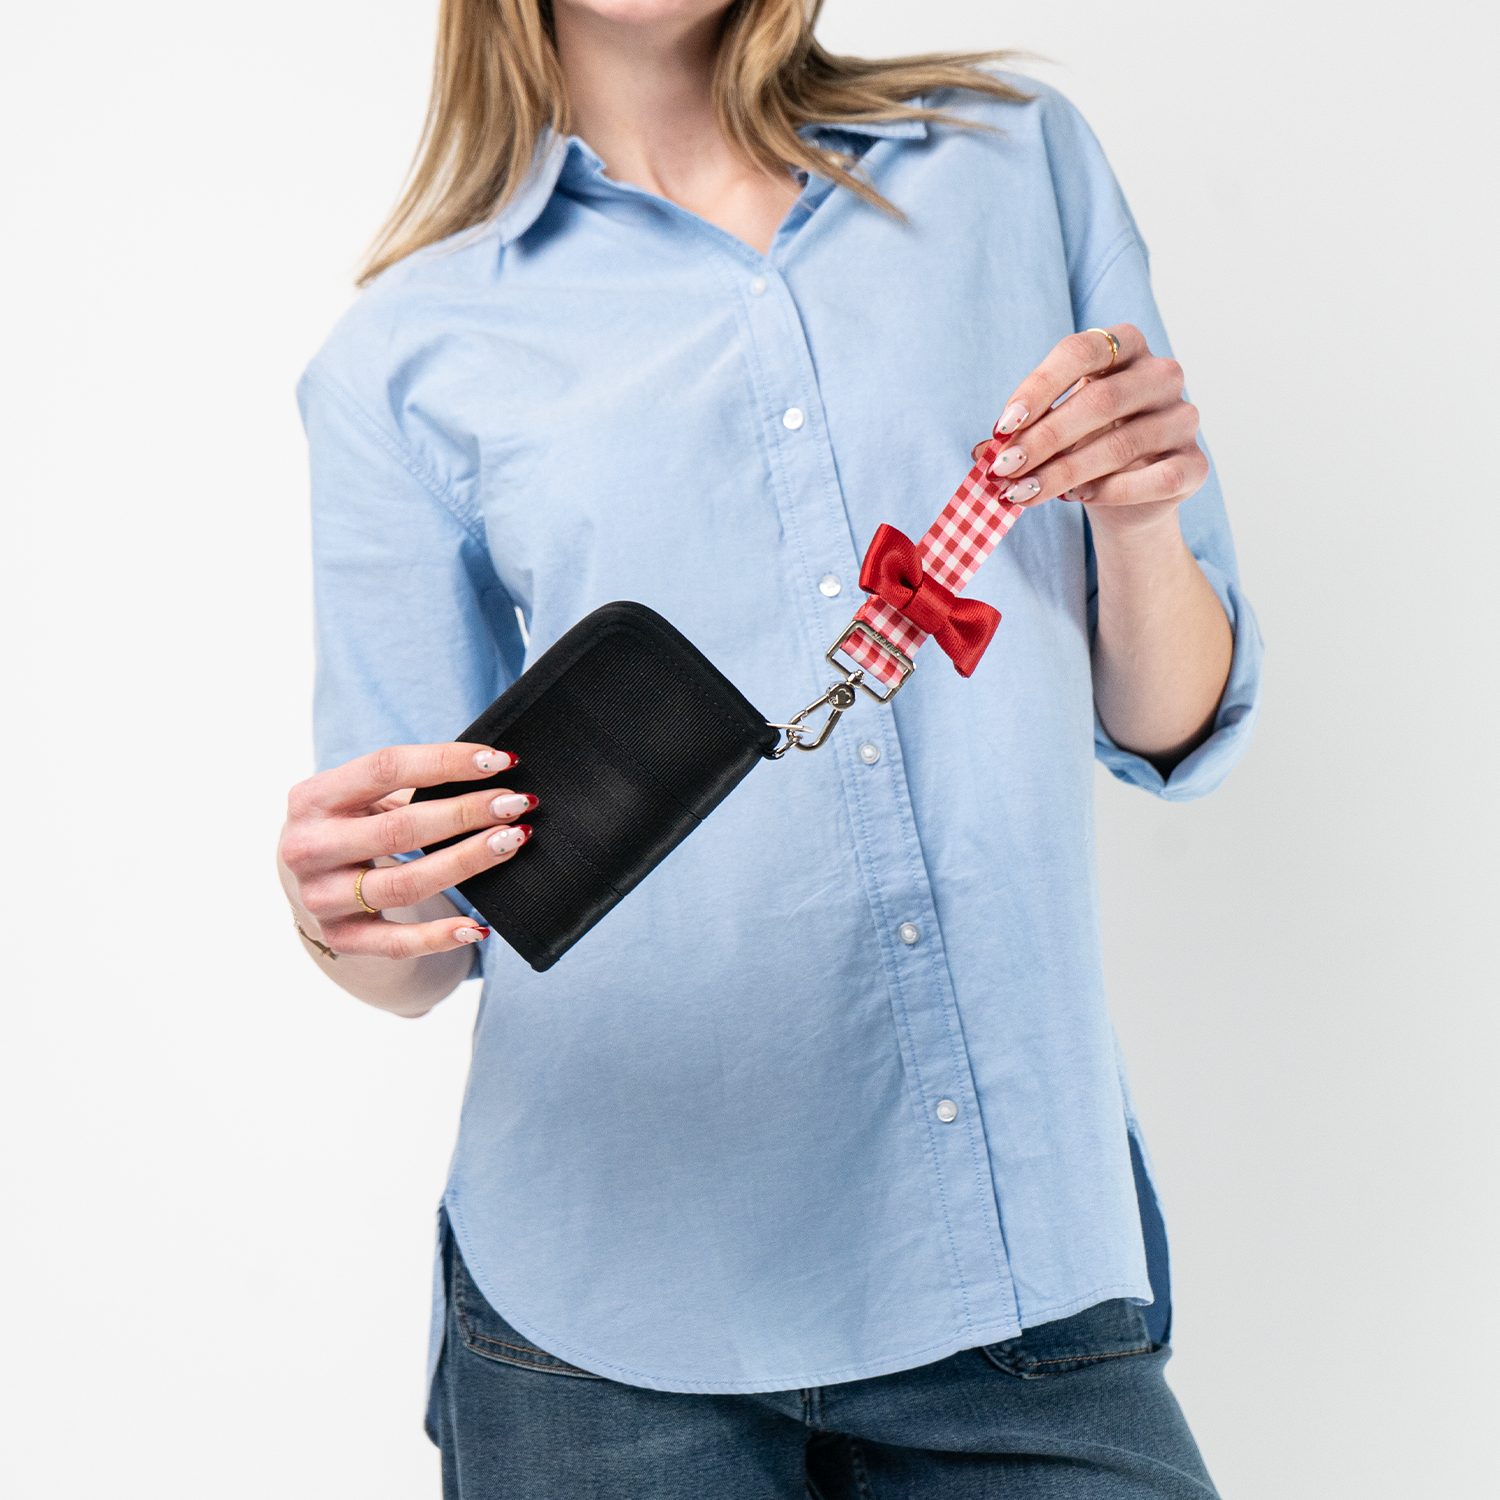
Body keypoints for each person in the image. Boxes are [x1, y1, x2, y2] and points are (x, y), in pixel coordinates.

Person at [277, 1, 1262, 1494]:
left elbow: (1168, 721)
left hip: (1010, 1272)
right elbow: (417, 943)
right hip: (601, 1321)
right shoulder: (404, 355)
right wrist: (342, 906)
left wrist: (1134, 511)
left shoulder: (1011, 163)